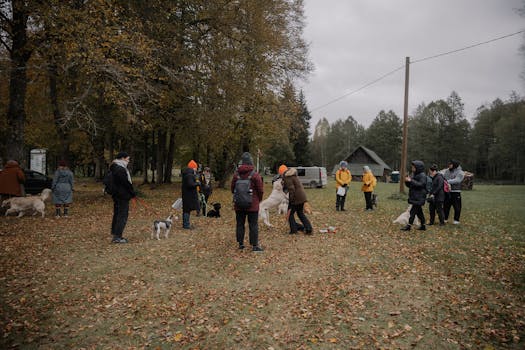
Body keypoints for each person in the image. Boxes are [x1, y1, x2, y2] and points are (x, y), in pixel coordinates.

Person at [231, 152, 264, 251]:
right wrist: (258, 200)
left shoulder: (236, 174)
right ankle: (254, 246)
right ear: (251, 162)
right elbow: (260, 190)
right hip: (252, 205)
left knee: (240, 224)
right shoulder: (255, 175)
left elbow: (232, 189)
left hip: (239, 204)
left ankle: (240, 244)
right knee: (253, 225)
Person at [110, 152, 136, 243]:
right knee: (122, 215)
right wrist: (132, 193)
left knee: (117, 214)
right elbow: (125, 183)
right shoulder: (120, 169)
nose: (128, 161)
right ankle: (117, 237)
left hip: (117, 194)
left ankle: (115, 232)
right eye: (127, 159)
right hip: (122, 195)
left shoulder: (114, 167)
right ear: (122, 158)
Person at [282, 165, 313, 235]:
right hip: (302, 197)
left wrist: (291, 200)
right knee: (300, 213)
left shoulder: (287, 177)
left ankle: (294, 230)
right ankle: (309, 228)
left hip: (296, 198)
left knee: (290, 214)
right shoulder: (293, 175)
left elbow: (291, 189)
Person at [401, 160, 427, 231]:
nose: (412, 168)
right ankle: (423, 226)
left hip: (419, 196)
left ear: (418, 167)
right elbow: (411, 185)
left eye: (413, 167)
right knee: (419, 212)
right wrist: (407, 181)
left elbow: (421, 185)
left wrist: (411, 180)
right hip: (415, 196)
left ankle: (408, 226)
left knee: (412, 212)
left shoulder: (422, 175)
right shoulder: (414, 174)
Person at [443, 159, 464, 225]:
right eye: (449, 164)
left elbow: (457, 180)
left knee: (457, 206)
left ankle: (456, 220)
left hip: (456, 192)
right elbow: (443, 176)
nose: (449, 165)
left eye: (450, 164)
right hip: (447, 191)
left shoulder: (460, 172)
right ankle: (445, 218)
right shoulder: (447, 171)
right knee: (446, 206)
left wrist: (446, 182)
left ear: (454, 165)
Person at [182, 160, 200, 229]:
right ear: (193, 167)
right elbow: (190, 184)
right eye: (195, 167)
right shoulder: (189, 175)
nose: (196, 169)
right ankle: (186, 225)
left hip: (187, 195)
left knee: (186, 209)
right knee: (187, 210)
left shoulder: (187, 173)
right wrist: (197, 183)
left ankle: (186, 224)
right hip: (188, 195)